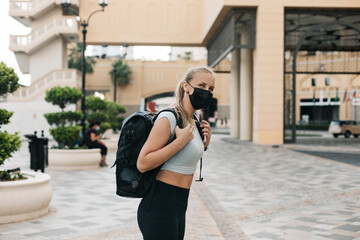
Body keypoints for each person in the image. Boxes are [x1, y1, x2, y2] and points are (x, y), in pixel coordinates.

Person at [137, 66, 215, 240]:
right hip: (160, 203)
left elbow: (183, 159)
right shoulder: (169, 118)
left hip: (180, 202)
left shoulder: (194, 121)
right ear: (186, 86)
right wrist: (179, 142)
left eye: (211, 89)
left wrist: (205, 145)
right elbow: (142, 163)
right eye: (201, 85)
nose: (206, 92)